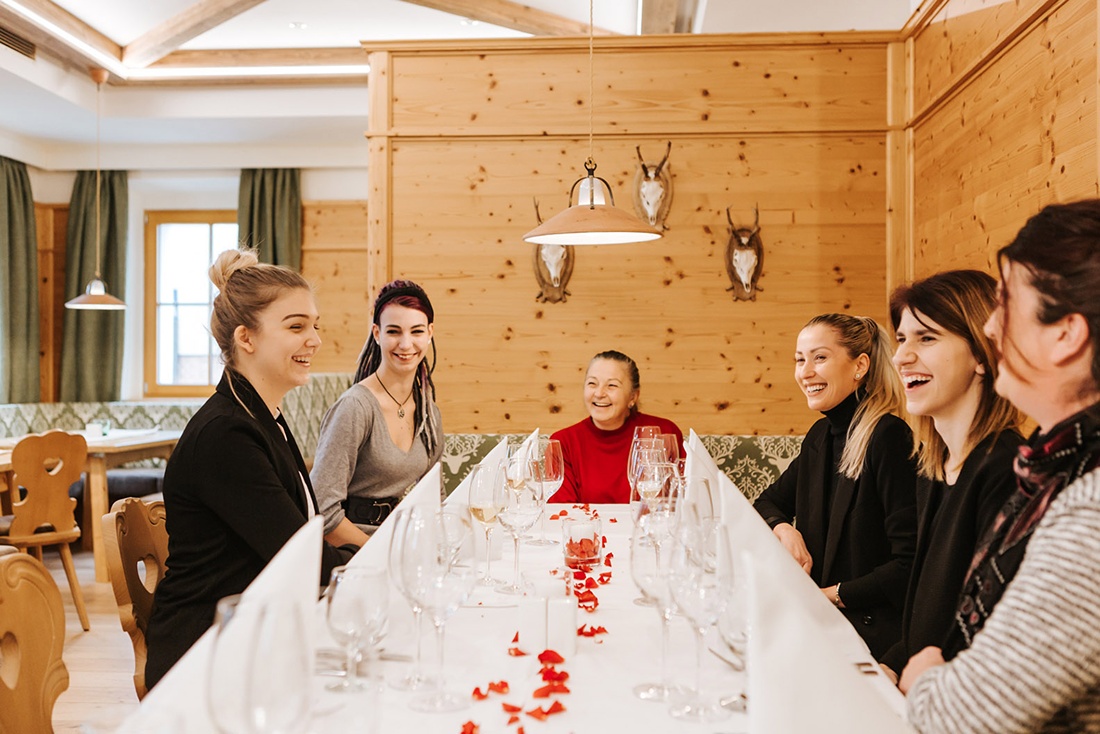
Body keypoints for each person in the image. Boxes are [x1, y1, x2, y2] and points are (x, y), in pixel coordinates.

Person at [903, 200, 1100, 732]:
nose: (990, 328)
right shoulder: (1055, 469)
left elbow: (961, 717)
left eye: (1007, 304)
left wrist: (924, 674)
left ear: (1066, 334)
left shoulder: (1090, 508)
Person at [145, 249, 358, 690]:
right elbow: (303, 559)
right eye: (296, 326)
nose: (314, 339)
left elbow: (301, 542)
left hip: (259, 629)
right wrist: (371, 564)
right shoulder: (226, 436)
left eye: (315, 325)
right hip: (208, 652)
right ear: (246, 338)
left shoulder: (261, 417)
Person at [878, 270, 1023, 681]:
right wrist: (887, 665)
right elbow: (925, 616)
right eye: (902, 338)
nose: (901, 356)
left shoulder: (1006, 469)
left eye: (927, 338)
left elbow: (987, 637)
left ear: (981, 354)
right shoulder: (934, 466)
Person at [753, 313, 918, 659]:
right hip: (820, 618)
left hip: (868, 633)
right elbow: (768, 502)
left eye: (820, 357)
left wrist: (827, 595)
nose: (805, 372)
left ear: (860, 366)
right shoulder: (820, 436)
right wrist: (785, 529)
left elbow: (908, 564)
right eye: (800, 360)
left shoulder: (888, 437)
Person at [311, 280, 443, 545]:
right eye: (394, 331)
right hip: (350, 551)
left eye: (416, 331)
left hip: (400, 541)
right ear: (376, 334)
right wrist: (381, 552)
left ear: (429, 333)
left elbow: (434, 497)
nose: (406, 344)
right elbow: (322, 512)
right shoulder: (355, 407)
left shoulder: (429, 411)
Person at [549, 350, 682, 504]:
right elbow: (563, 513)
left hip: (646, 527)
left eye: (611, 385)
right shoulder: (562, 442)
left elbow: (679, 500)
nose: (599, 393)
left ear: (633, 396)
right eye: (592, 383)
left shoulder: (665, 432)